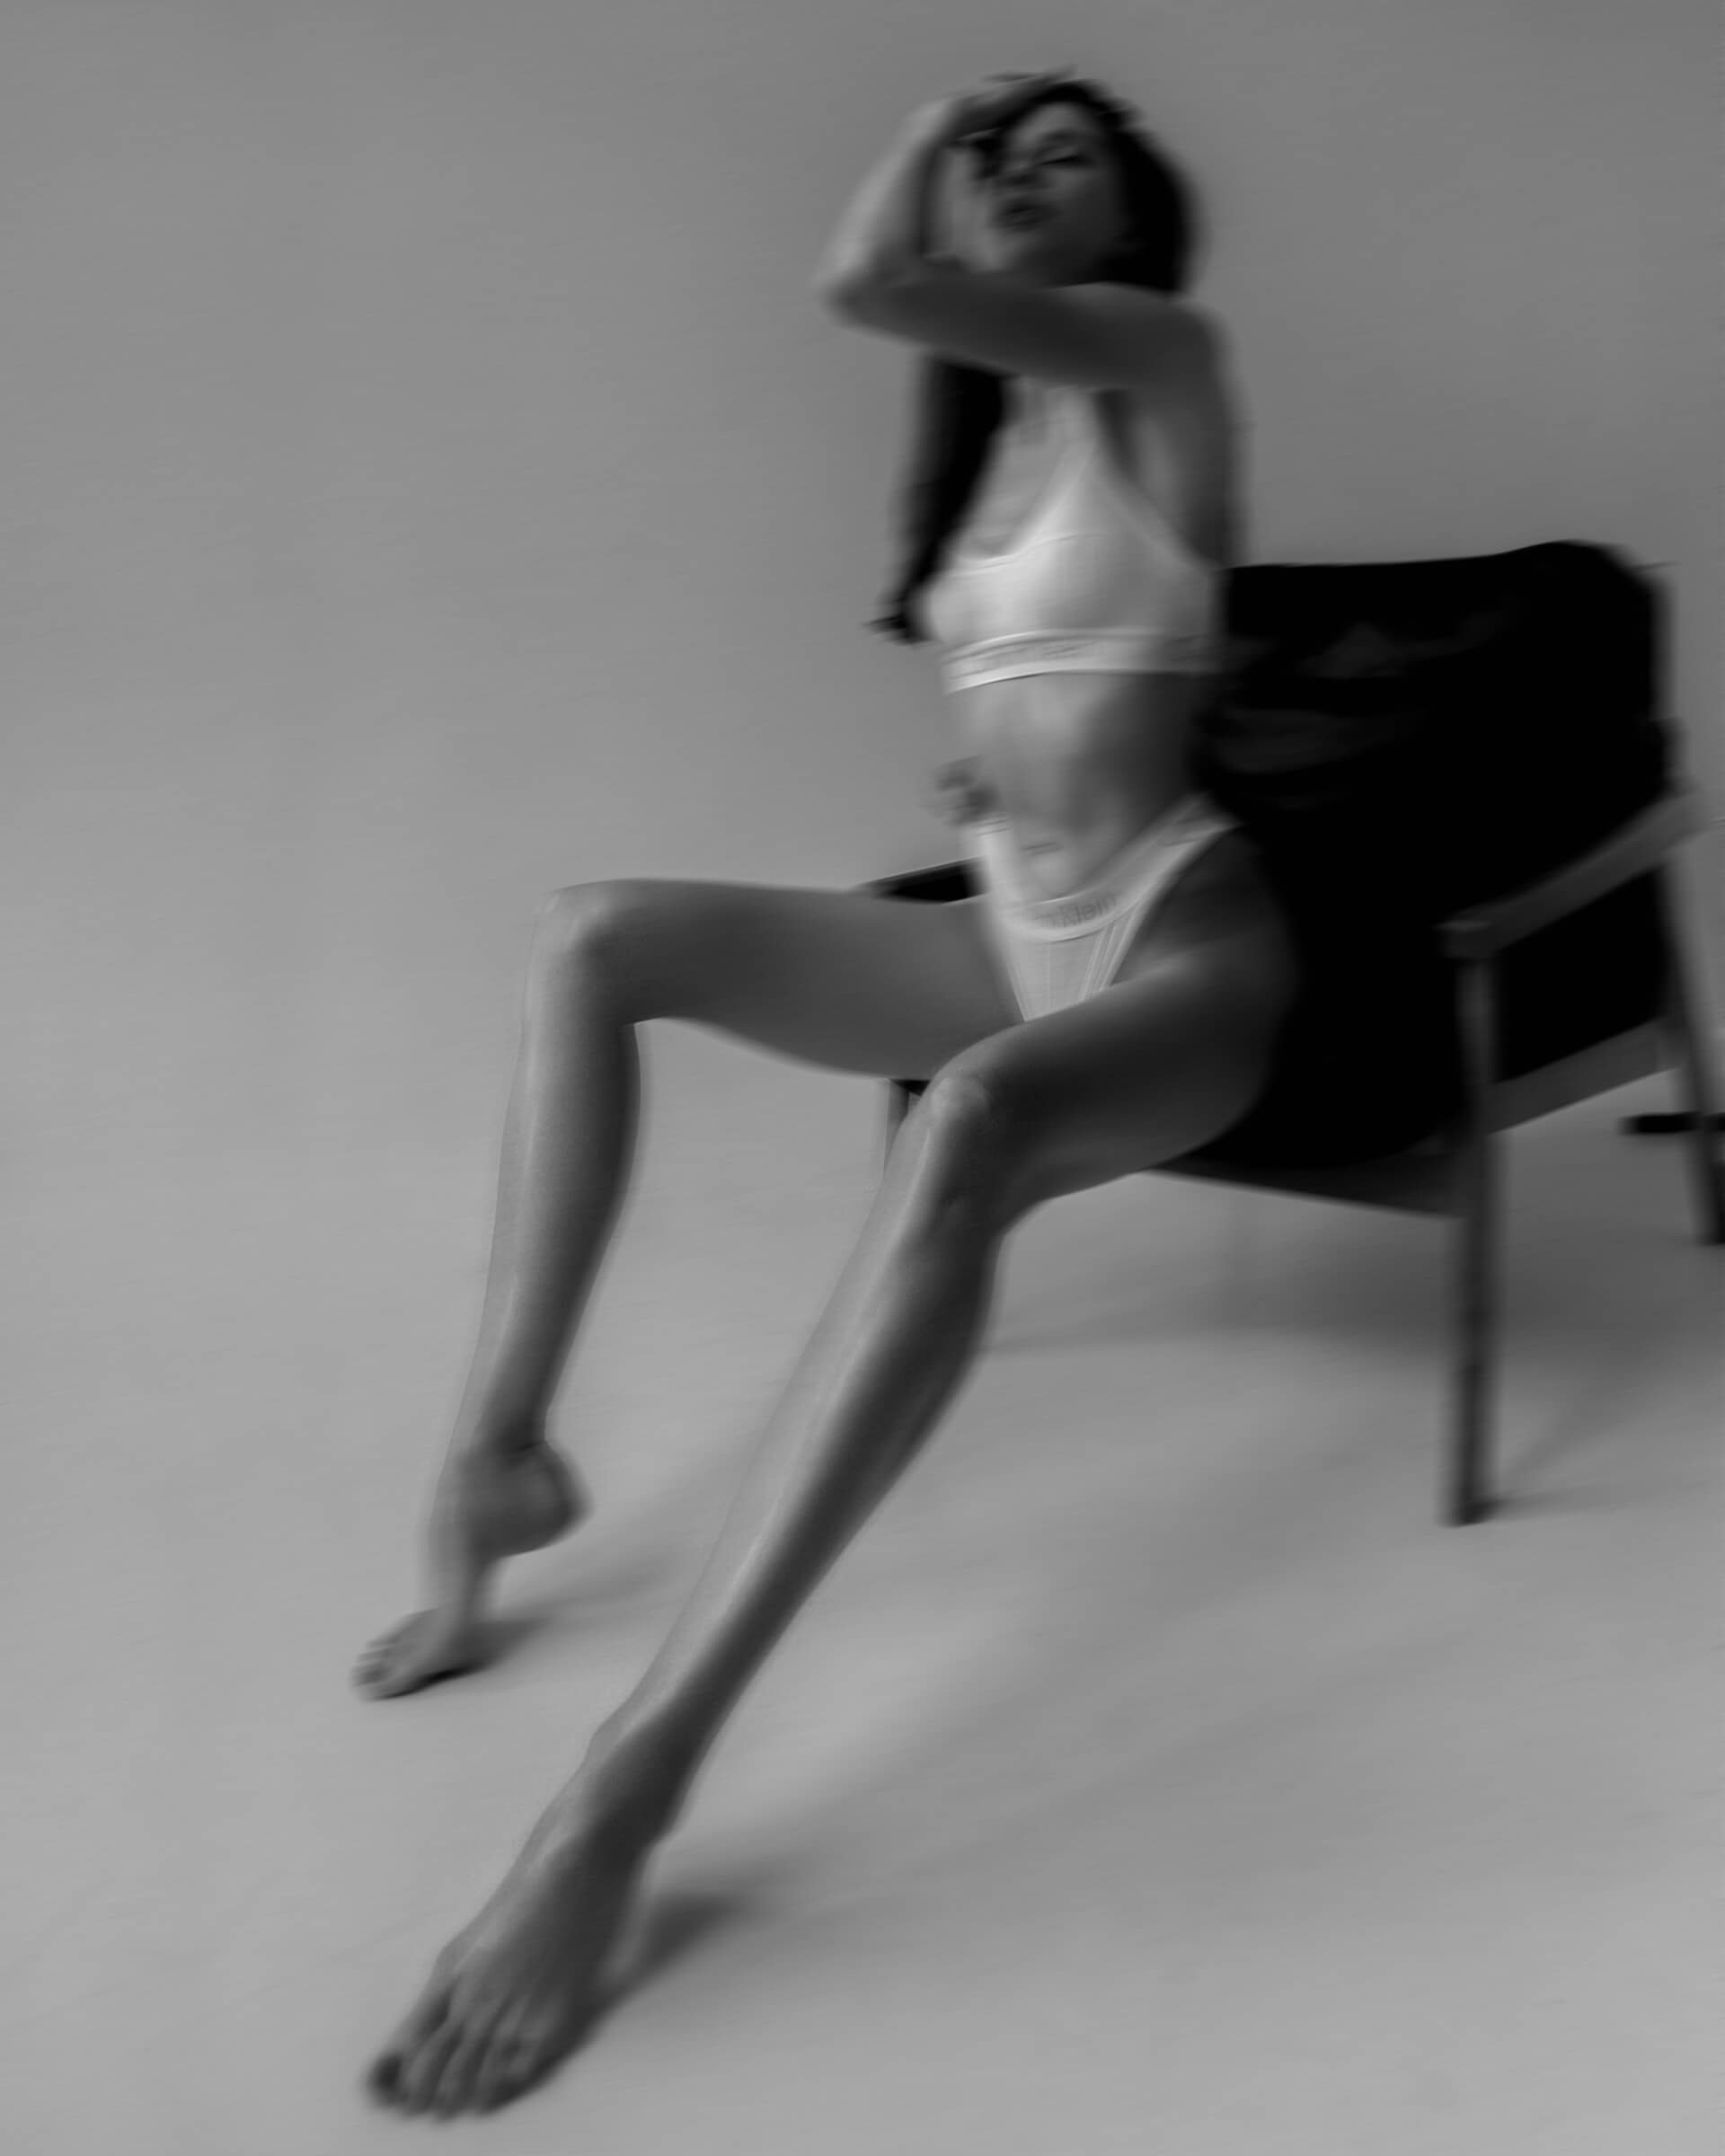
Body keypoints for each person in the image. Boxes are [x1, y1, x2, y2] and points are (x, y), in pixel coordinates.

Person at [358, 69, 1304, 2119]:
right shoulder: (999, 447)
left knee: (965, 1119)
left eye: (1067, 156)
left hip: (1189, 952)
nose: (1024, 174)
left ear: (1133, 220)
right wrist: (1001, 767)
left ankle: (627, 1790)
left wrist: (947, 120)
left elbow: (862, 283)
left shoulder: (1163, 354)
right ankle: (495, 1459)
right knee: (593, 938)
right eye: (1002, 159)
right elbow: (1055, 676)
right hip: (1009, 928)